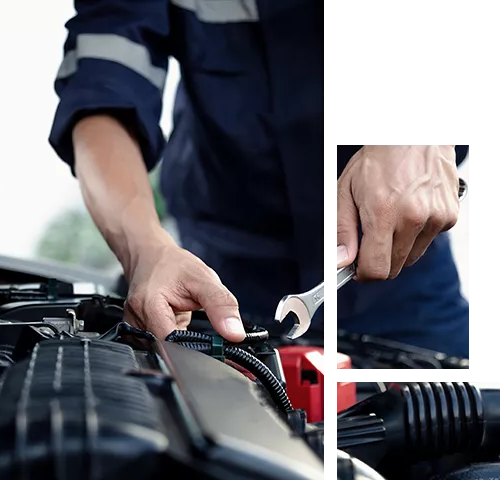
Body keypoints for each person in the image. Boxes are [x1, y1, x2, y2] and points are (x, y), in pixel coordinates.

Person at [48, 1, 470, 357]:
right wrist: (144, 250)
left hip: (405, 286)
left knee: (454, 438)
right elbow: (102, 84)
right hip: (212, 287)